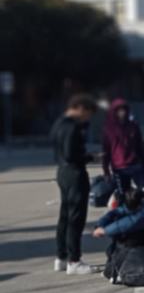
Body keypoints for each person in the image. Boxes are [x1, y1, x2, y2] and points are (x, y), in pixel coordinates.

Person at [50, 93, 99, 275]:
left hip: (62, 171)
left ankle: (61, 257)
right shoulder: (72, 127)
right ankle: (74, 260)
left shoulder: (59, 124)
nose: (88, 119)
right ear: (80, 108)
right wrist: (91, 157)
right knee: (75, 218)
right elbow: (73, 154)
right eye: (88, 114)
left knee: (64, 215)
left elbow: (57, 147)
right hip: (74, 172)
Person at [102, 98, 144, 195]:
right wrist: (106, 170)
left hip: (135, 164)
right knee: (123, 195)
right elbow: (106, 151)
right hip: (119, 167)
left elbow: (140, 146)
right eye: (119, 110)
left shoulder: (133, 126)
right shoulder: (109, 129)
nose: (122, 112)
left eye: (124, 109)